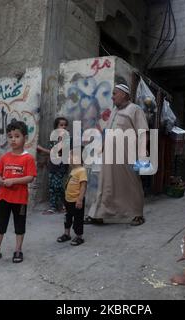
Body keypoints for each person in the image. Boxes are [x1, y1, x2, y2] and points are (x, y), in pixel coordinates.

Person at [86, 84, 149, 226]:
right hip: (109, 155)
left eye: (115, 93)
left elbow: (143, 132)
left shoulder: (135, 109)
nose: (112, 97)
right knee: (105, 184)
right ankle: (98, 214)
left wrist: (142, 153)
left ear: (124, 95)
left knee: (132, 184)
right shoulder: (114, 110)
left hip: (127, 155)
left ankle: (137, 214)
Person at [0, 121, 37, 264]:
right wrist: (0, 180)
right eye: (10, 136)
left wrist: (13, 181)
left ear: (25, 138)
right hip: (3, 197)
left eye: (17, 136)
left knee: (19, 225)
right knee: (0, 224)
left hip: (20, 199)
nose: (13, 139)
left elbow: (31, 177)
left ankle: (18, 250)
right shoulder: (4, 157)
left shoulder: (28, 158)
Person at [37, 117, 69, 215]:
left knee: (58, 186)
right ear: (56, 127)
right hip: (52, 165)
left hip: (61, 166)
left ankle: (65, 206)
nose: (63, 127)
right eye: (61, 125)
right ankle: (52, 207)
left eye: (65, 125)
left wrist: (41, 149)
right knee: (52, 187)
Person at [57, 148, 88, 246]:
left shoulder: (82, 170)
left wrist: (80, 199)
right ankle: (67, 234)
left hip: (76, 200)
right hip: (68, 200)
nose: (68, 159)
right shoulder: (73, 170)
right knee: (67, 217)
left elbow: (83, 186)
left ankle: (79, 236)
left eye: (70, 156)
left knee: (78, 219)